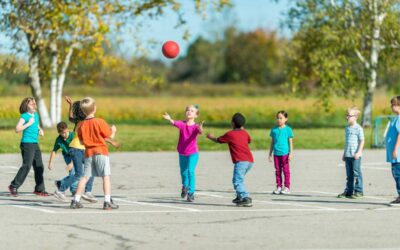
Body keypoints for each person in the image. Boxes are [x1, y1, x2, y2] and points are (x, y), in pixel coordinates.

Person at [70, 97, 118, 210]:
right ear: (94, 108)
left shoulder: (81, 125)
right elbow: (110, 136)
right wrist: (114, 130)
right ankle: (107, 201)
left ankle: (75, 200)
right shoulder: (100, 121)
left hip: (88, 153)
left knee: (84, 177)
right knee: (105, 177)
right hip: (101, 151)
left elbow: (81, 141)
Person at [207, 113, 254, 207]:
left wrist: (210, 137)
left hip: (241, 161)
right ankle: (239, 197)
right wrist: (243, 131)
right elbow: (249, 140)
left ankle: (245, 198)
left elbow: (219, 140)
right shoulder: (245, 133)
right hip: (250, 161)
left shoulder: (230, 134)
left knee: (237, 181)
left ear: (233, 123)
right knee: (239, 179)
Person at [8, 97, 49, 196]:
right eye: (32, 104)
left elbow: (37, 124)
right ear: (26, 106)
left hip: (35, 144)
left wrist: (40, 130)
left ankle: (39, 189)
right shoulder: (24, 116)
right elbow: (17, 129)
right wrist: (28, 123)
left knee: (39, 166)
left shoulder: (35, 115)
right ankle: (13, 185)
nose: (34, 105)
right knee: (27, 165)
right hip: (27, 144)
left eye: (35, 103)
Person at [48, 121, 97, 203]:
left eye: (64, 132)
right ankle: (73, 190)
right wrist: (50, 162)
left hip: (79, 152)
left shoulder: (73, 136)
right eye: (61, 133)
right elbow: (54, 150)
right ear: (58, 132)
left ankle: (62, 184)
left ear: (67, 129)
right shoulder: (59, 139)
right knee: (75, 172)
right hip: (68, 156)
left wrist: (72, 163)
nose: (63, 135)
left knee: (89, 169)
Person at [162, 105, 203, 202]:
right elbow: (174, 123)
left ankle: (191, 193)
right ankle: (185, 186)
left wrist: (201, 127)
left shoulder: (196, 126)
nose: (189, 112)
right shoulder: (182, 124)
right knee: (183, 172)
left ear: (196, 115)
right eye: (187, 110)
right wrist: (169, 119)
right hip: (182, 153)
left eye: (192, 111)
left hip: (193, 153)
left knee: (190, 171)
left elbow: (200, 131)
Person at [337, 107, 365, 199]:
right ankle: (349, 191)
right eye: (346, 115)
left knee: (356, 173)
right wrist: (344, 153)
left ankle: (359, 191)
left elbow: (362, 141)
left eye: (349, 115)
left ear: (355, 117)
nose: (347, 117)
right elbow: (347, 142)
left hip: (356, 155)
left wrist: (359, 152)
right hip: (348, 155)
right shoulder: (347, 128)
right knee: (349, 175)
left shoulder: (358, 128)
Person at [268, 110, 294, 195]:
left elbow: (290, 142)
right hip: (276, 154)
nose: (279, 120)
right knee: (277, 170)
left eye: (281, 118)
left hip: (285, 154)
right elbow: (272, 142)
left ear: (286, 119)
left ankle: (287, 187)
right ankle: (279, 186)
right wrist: (270, 154)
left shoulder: (288, 130)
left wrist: (291, 153)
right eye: (278, 118)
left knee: (286, 171)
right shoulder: (274, 130)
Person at [386, 96, 400, 205]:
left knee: (397, 174)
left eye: (393, 105)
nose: (391, 106)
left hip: (398, 154)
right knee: (395, 174)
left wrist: (395, 149)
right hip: (394, 155)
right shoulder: (396, 118)